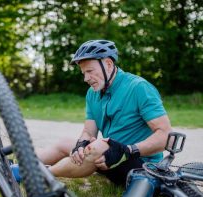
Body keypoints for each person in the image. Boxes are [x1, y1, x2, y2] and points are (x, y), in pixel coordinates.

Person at [15, 39, 172, 185]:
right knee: (66, 143)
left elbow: (166, 137)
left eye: (90, 71)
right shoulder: (93, 93)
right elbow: (88, 131)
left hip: (140, 166)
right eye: (83, 73)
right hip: (106, 160)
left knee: (99, 146)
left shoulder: (139, 88)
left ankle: (38, 174)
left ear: (109, 64)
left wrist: (127, 150)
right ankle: (17, 166)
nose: (86, 78)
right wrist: (81, 143)